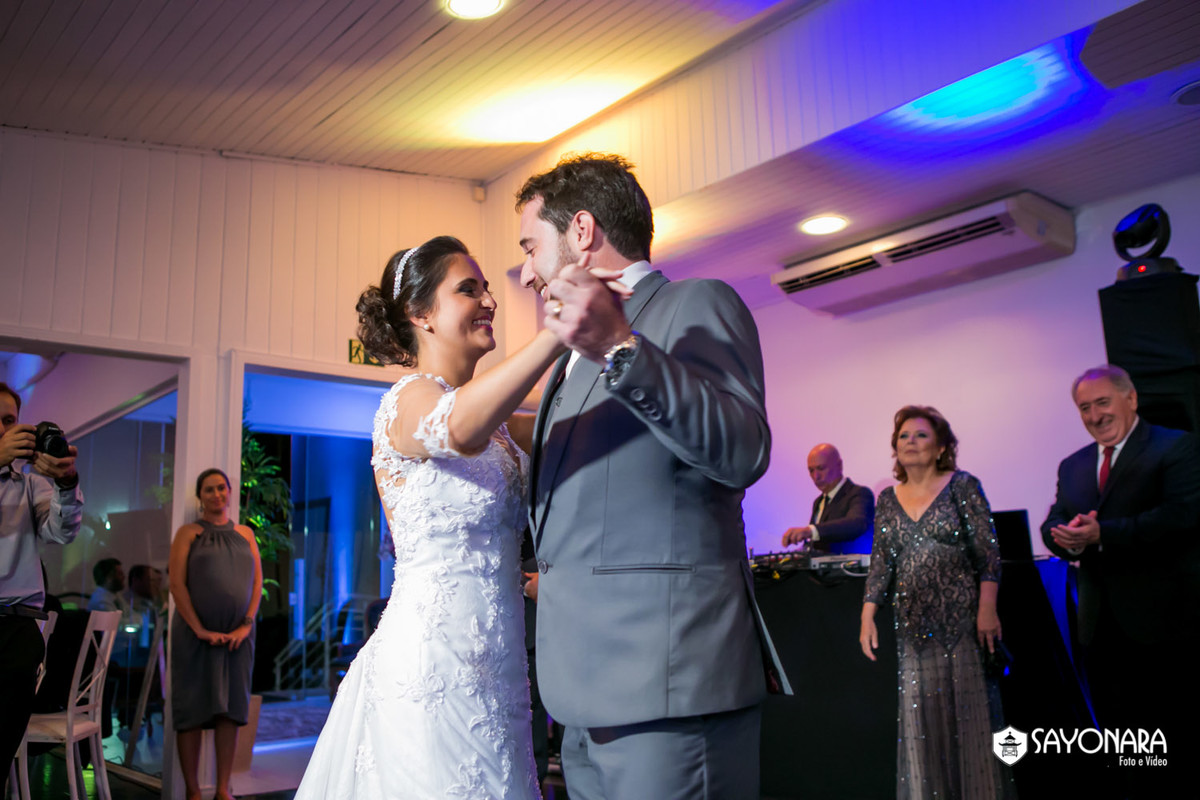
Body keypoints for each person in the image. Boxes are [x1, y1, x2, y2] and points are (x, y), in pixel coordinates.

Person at [295, 236, 625, 799]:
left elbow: (577, 433)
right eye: (468, 289)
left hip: (501, 667)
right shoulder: (407, 402)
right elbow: (456, 427)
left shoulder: (501, 429)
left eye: (487, 288)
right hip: (431, 665)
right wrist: (556, 332)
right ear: (420, 313)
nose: (489, 300)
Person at [517, 154, 783, 799]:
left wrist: (621, 348)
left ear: (582, 231)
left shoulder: (695, 303)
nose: (525, 272)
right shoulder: (566, 357)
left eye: (530, 246)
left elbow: (742, 451)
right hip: (581, 693)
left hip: (669, 683)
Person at [1041, 365, 1200, 791]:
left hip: (1167, 624)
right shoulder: (1073, 465)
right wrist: (1068, 539)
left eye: (1102, 403)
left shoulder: (1176, 446)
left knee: (1175, 731)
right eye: (1084, 408)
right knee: (1125, 741)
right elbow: (1054, 522)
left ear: (1131, 398)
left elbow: (1181, 517)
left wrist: (1103, 534)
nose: (1095, 416)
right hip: (1101, 626)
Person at [859, 405, 1005, 799]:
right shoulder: (887, 499)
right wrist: (867, 615)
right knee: (922, 726)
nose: (910, 441)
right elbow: (881, 563)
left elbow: (988, 555)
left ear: (941, 447)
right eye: (903, 436)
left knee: (970, 723)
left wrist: (987, 609)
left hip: (962, 625)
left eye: (921, 434)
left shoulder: (962, 486)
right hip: (913, 630)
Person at [0, 382, 83, 793]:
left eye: (10, 420)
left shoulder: (31, 483)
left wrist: (66, 482)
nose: (5, 429)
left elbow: (62, 532)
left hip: (17, 631)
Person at [169, 468, 262, 800]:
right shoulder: (188, 533)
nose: (216, 494)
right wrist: (199, 629)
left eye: (221, 488)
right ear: (200, 496)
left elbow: (257, 583)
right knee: (191, 710)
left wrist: (246, 624)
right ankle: (193, 791)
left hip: (238, 639)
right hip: (194, 637)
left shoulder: (246, 534)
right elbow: (176, 584)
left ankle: (223, 789)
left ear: (229, 491)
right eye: (209, 490)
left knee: (231, 711)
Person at [781, 443, 875, 554]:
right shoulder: (818, 502)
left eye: (821, 468)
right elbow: (818, 544)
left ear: (839, 465)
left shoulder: (859, 493)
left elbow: (856, 524)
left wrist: (810, 530)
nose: (816, 476)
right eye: (811, 470)